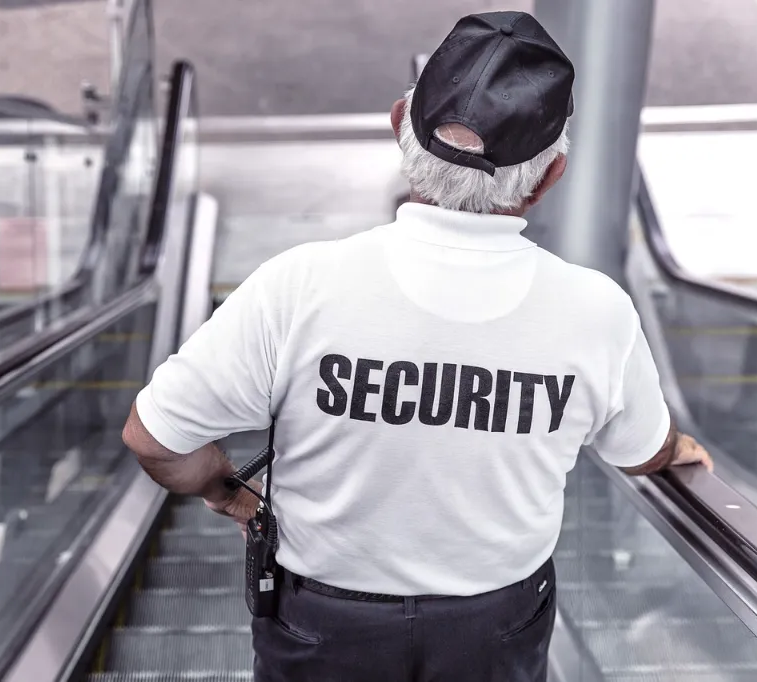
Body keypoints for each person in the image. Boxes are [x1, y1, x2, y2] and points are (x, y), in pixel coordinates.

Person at [121, 10, 712, 682]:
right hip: (495, 627)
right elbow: (641, 451)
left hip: (324, 624)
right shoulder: (596, 313)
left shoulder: (300, 284)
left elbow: (153, 438)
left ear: (401, 122)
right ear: (550, 176)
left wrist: (228, 493)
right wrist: (676, 451)